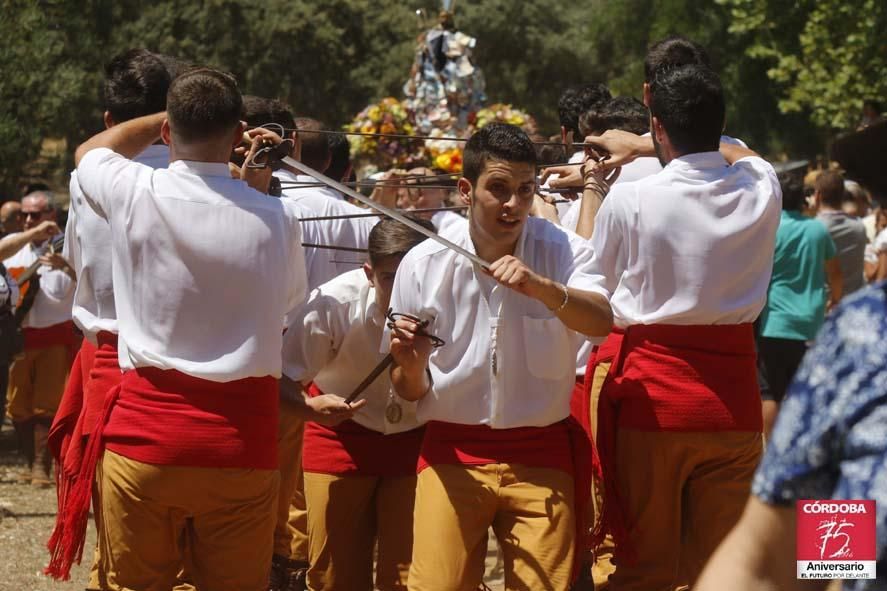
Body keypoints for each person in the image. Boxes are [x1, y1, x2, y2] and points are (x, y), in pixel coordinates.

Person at [52, 67, 309, 591]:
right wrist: (254, 191)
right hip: (243, 447)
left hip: (147, 443)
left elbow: (91, 151)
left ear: (169, 131)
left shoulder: (135, 192)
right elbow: (285, 302)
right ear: (239, 134)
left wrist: (165, 116)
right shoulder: (278, 218)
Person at [580, 64, 781, 590]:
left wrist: (634, 152)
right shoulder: (762, 185)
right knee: (719, 569)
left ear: (658, 125)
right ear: (720, 121)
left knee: (645, 566)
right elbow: (746, 152)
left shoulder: (634, 198)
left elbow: (593, 286)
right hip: (734, 406)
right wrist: (649, 142)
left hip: (654, 405)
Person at [388, 123, 613, 590]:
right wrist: (408, 363)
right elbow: (409, 389)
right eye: (499, 189)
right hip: (450, 451)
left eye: (525, 190)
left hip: (542, 451)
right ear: (466, 190)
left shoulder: (563, 250)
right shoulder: (422, 263)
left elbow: (601, 321)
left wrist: (542, 288)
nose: (513, 204)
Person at [45, 48, 179, 590]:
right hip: (183, 368)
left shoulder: (87, 179)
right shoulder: (201, 176)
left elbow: (78, 265)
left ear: (108, 121)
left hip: (108, 360)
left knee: (120, 537)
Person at [697, 280, 887, 591]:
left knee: (770, 393)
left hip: (776, 330)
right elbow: (780, 566)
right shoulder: (867, 339)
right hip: (801, 332)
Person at [283, 216, 435, 591]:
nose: (403, 290)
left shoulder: (449, 302)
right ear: (369, 273)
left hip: (417, 443)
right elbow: (280, 378)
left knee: (408, 578)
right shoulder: (335, 303)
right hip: (338, 440)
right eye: (389, 278)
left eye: (414, 276)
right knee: (334, 576)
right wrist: (307, 409)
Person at [758, 175, 841, 436]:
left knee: (769, 391)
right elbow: (835, 273)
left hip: (773, 323)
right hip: (810, 324)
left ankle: (771, 453)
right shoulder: (817, 230)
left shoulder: (769, 229)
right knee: (804, 391)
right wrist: (835, 299)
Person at [3, 190, 76, 487]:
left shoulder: (71, 245)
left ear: (52, 216)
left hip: (55, 335)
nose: (28, 220)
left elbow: (95, 284)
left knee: (48, 403)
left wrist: (67, 267)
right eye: (24, 215)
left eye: (36, 214)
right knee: (16, 404)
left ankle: (41, 468)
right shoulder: (13, 248)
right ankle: (26, 460)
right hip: (18, 338)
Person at [815, 170, 868, 295]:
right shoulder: (859, 227)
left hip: (827, 305)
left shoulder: (814, 229)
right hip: (856, 303)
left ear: (818, 195)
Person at [396, 166, 465, 234]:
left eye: (402, 196)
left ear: (419, 195)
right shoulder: (402, 222)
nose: (399, 203)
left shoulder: (457, 225)